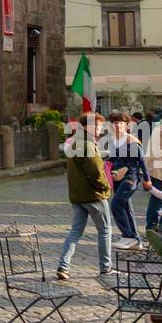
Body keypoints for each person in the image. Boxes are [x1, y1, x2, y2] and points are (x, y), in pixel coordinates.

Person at [56, 114, 114, 285]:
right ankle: (106, 267)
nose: (98, 129)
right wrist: (105, 187)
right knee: (104, 231)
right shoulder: (87, 144)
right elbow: (96, 171)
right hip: (93, 195)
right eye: (95, 126)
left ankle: (63, 266)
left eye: (99, 126)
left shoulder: (74, 142)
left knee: (75, 232)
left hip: (77, 195)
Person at [107, 111, 150, 249]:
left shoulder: (131, 141)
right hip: (117, 178)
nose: (118, 125)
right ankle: (136, 239)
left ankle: (128, 235)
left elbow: (141, 161)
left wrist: (147, 179)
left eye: (121, 123)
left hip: (130, 177)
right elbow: (113, 159)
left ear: (127, 125)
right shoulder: (113, 140)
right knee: (126, 207)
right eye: (115, 123)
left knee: (116, 205)